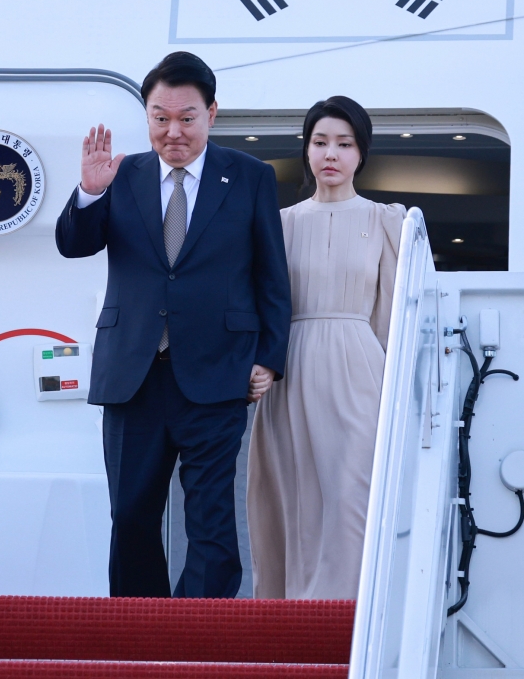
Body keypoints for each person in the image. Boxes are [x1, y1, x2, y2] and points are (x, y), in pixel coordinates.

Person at [55, 51, 291, 599]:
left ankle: (198, 637)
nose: (173, 131)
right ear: (147, 116)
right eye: (160, 118)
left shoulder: (250, 176)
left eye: (187, 118)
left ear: (212, 112)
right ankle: (141, 636)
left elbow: (270, 275)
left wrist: (270, 358)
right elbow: (74, 245)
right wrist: (90, 192)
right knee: (132, 516)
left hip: (217, 372)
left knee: (210, 521)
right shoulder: (123, 174)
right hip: (132, 374)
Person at [246, 96, 405, 600]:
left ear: (362, 153)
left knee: (352, 494)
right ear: (306, 150)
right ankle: (291, 622)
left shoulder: (387, 220)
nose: (330, 153)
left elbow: (396, 313)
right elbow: (257, 301)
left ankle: (347, 622)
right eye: (320, 142)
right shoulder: (280, 222)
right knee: (293, 498)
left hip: (361, 370)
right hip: (289, 369)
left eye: (344, 143)